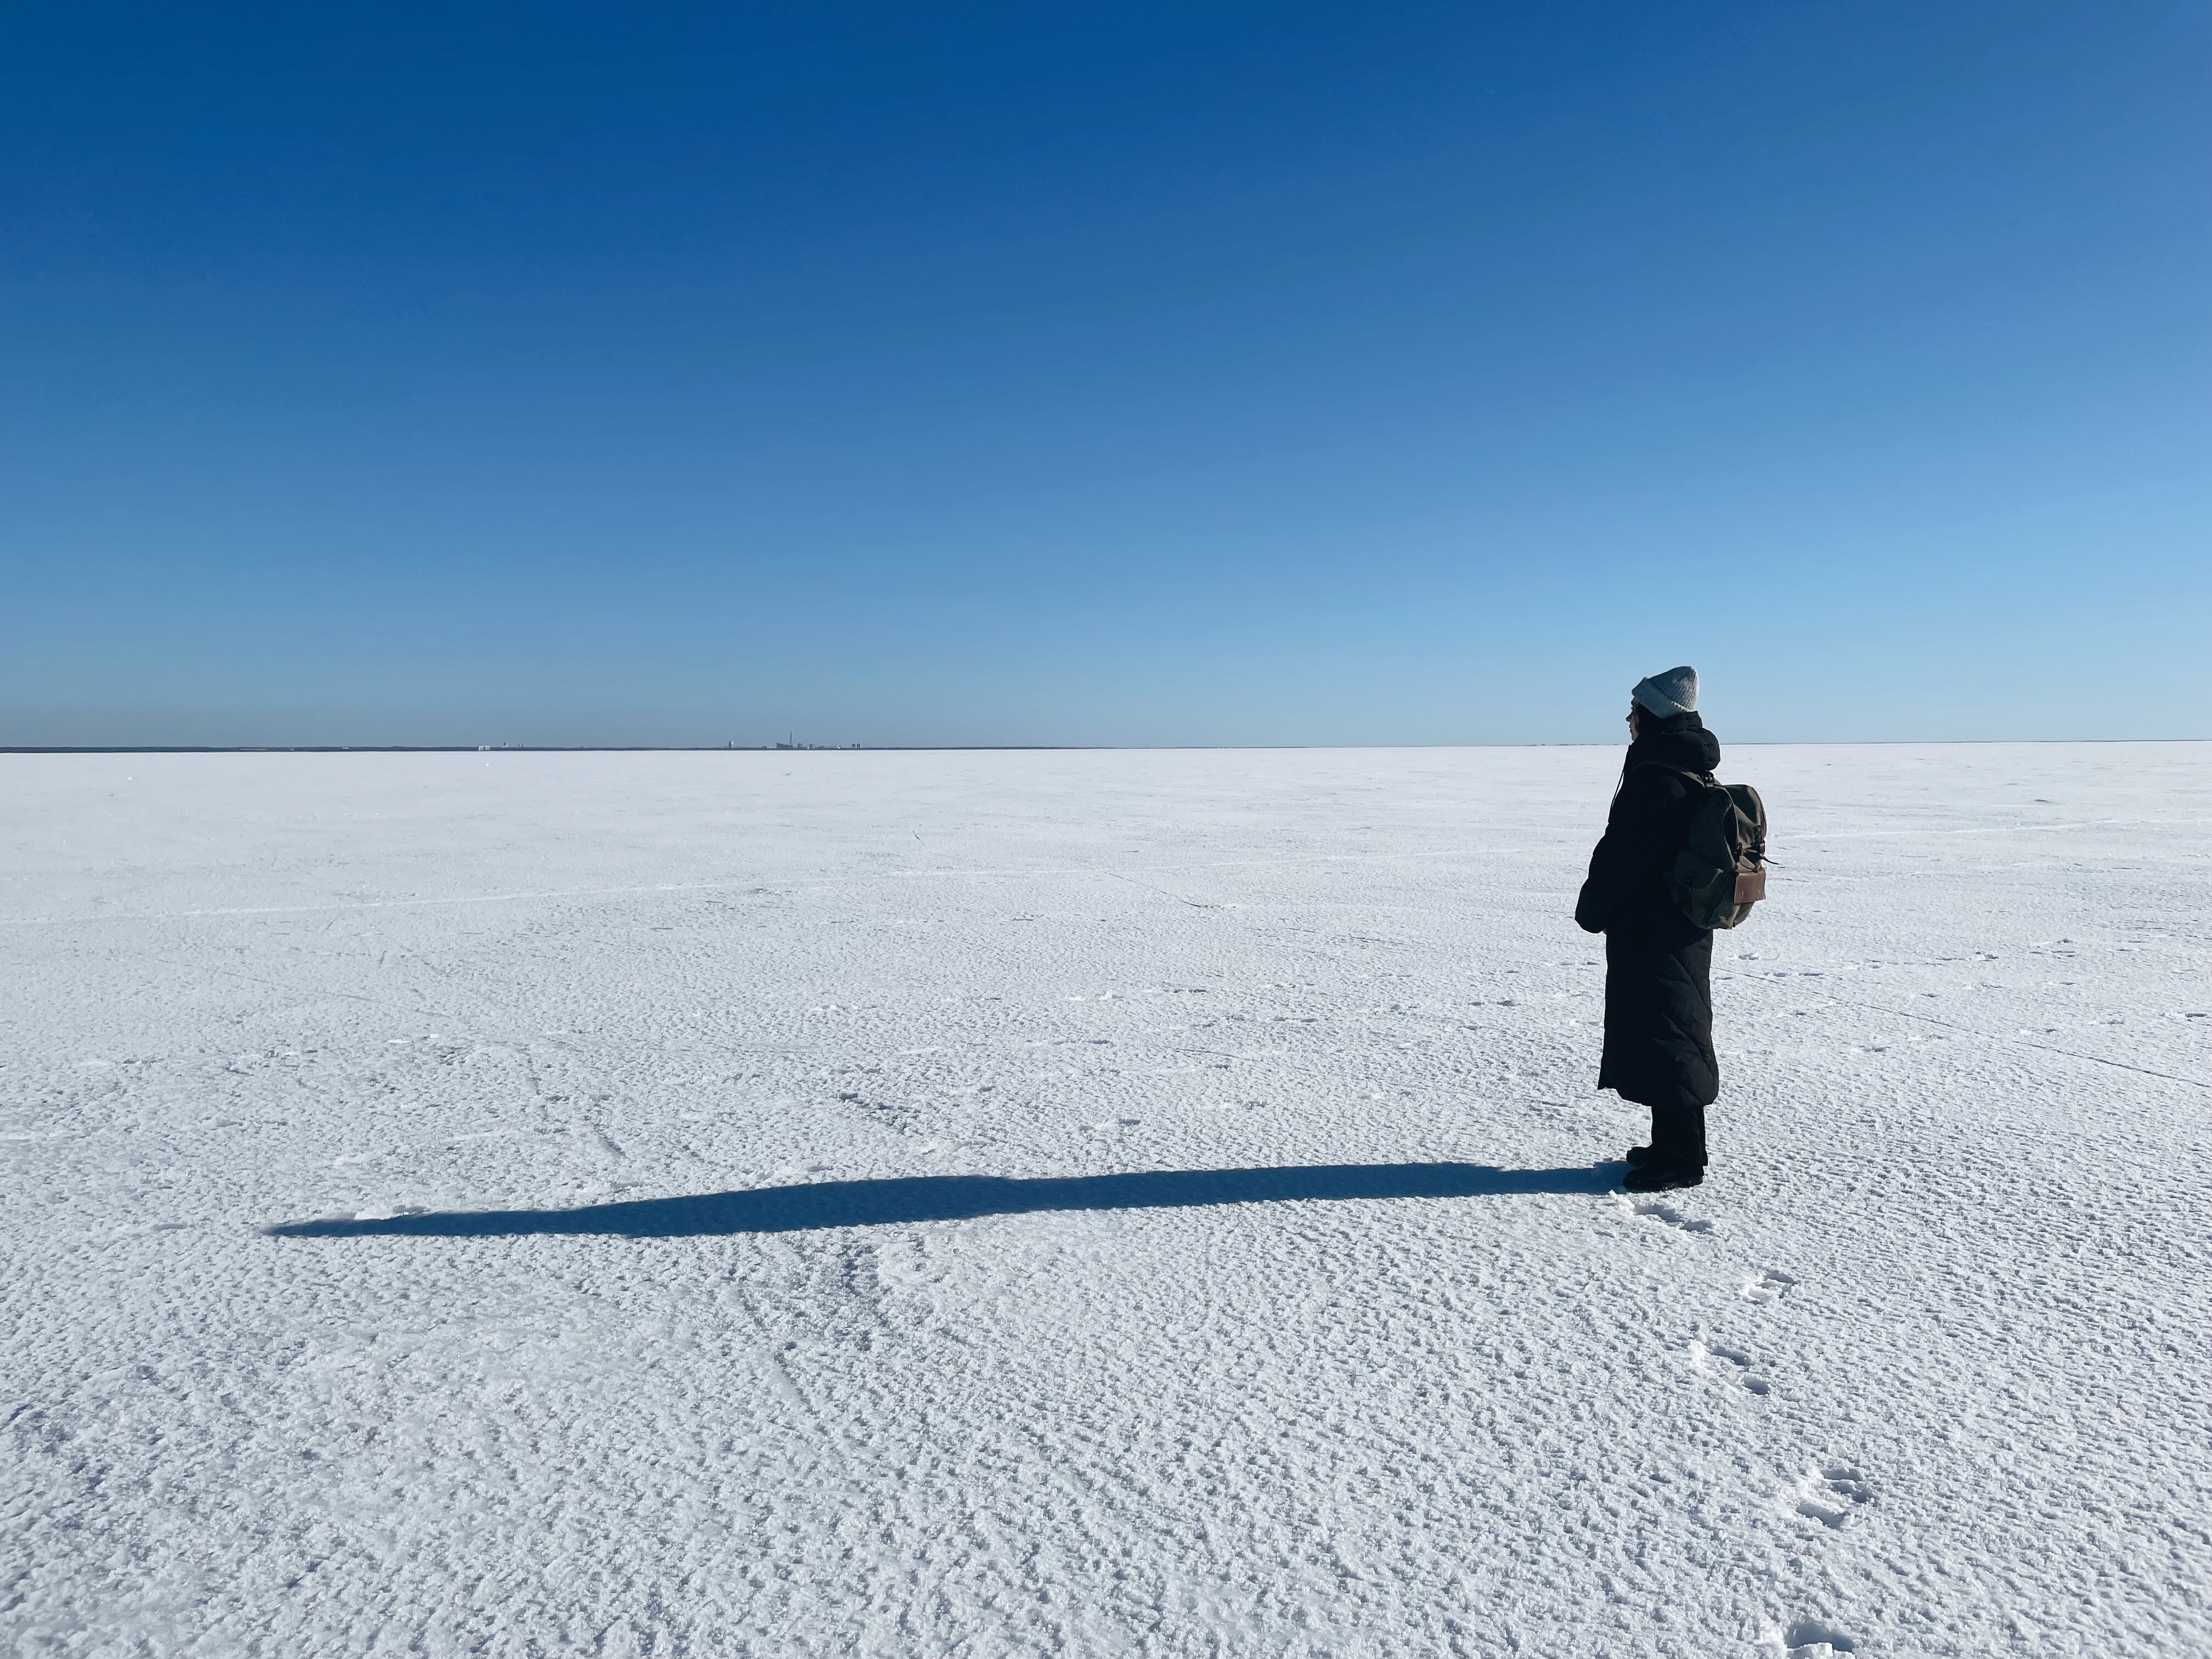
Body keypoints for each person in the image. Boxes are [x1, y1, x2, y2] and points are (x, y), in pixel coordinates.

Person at [1575, 665, 1723, 1192]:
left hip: (1655, 926)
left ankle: (1681, 1160)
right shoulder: (1680, 765)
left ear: (1655, 714)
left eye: (1635, 709)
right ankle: (1673, 1145)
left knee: (1670, 1035)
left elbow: (1623, 856)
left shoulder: (1657, 776)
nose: (1628, 718)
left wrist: (1592, 910)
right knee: (1671, 1029)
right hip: (1677, 924)